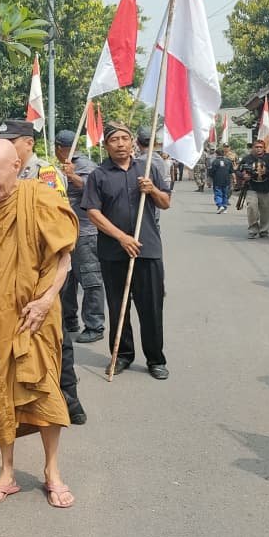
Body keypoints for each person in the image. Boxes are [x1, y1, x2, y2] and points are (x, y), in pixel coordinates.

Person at [0, 139, 78, 508]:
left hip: (36, 312)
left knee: (43, 387)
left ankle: (52, 471)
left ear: (16, 165)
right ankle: (7, 472)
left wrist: (45, 302)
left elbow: (64, 260)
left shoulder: (40, 197)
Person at [81, 122, 172, 379]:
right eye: (114, 140)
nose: (120, 143)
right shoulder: (99, 175)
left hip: (148, 249)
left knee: (151, 306)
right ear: (106, 145)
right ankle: (121, 355)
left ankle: (155, 358)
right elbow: (93, 212)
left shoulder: (147, 168)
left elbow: (166, 203)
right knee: (118, 305)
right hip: (114, 251)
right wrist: (121, 237)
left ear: (132, 142)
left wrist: (152, 189)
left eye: (124, 138)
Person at [52, 130, 103, 426]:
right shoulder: (57, 166)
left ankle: (95, 323)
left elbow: (91, 191)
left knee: (91, 280)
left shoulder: (84, 165)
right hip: (64, 236)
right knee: (67, 284)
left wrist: (72, 176)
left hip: (85, 232)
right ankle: (71, 320)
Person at [0, 118, 66, 196]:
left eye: (11, 142)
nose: (4, 146)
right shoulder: (3, 172)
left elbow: (55, 206)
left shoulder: (45, 172)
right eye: (2, 142)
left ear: (29, 143)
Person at [239, 137, 269, 239]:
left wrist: (266, 172)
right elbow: (238, 170)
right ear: (253, 148)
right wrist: (243, 176)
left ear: (264, 148)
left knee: (266, 210)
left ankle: (264, 230)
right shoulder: (247, 158)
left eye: (260, 147)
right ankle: (253, 229)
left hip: (266, 187)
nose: (258, 149)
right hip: (251, 187)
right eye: (256, 147)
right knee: (252, 207)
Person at [208, 145, 235, 213]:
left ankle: (220, 206)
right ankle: (225, 207)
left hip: (217, 180)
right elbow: (232, 172)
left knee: (218, 193)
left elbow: (211, 173)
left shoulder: (214, 162)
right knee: (225, 194)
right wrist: (234, 179)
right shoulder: (228, 161)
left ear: (216, 154)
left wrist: (209, 181)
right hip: (226, 180)